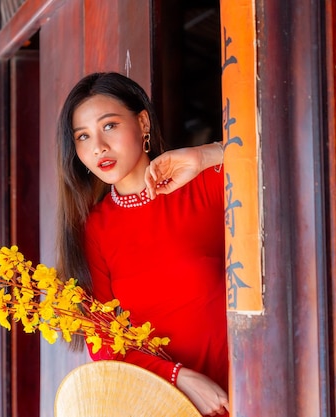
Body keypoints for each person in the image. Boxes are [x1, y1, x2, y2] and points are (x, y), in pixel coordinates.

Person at [56, 72, 228, 416]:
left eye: (109, 126)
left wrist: (205, 155)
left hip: (248, 389)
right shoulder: (94, 230)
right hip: (168, 403)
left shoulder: (205, 186)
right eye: (83, 137)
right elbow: (102, 343)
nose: (98, 147)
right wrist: (179, 378)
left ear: (143, 122)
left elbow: (278, 156)